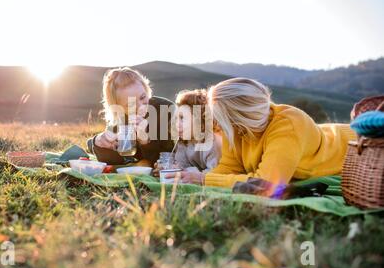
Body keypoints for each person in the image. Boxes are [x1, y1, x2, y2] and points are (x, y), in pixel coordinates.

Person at [202, 77, 357, 188]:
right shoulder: (234, 127)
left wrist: (205, 180)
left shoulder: (288, 125)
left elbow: (267, 183)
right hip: (321, 137)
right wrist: (195, 178)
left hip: (353, 145)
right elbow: (230, 166)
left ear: (240, 116)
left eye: (220, 117)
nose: (217, 123)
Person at [86, 67, 174, 166]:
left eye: (143, 97)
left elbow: (169, 158)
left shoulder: (167, 111)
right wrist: (98, 143)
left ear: (147, 90)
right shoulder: (120, 118)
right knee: (94, 142)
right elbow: (114, 162)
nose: (141, 106)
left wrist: (145, 141)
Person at [158, 89, 222, 184]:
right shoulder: (184, 141)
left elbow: (215, 173)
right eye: (176, 119)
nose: (177, 124)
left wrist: (188, 171)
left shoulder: (213, 142)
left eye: (182, 118)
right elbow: (182, 164)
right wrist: (172, 168)